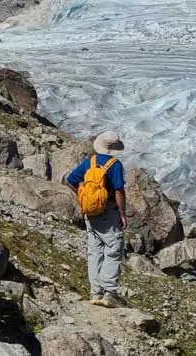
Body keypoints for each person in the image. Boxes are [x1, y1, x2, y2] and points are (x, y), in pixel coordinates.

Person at [63, 130, 128, 306]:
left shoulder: (89, 162)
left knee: (95, 252)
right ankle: (109, 293)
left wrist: (83, 196)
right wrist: (122, 214)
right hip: (108, 212)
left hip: (90, 213)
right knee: (113, 249)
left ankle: (95, 293)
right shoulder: (114, 165)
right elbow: (118, 191)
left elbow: (69, 180)